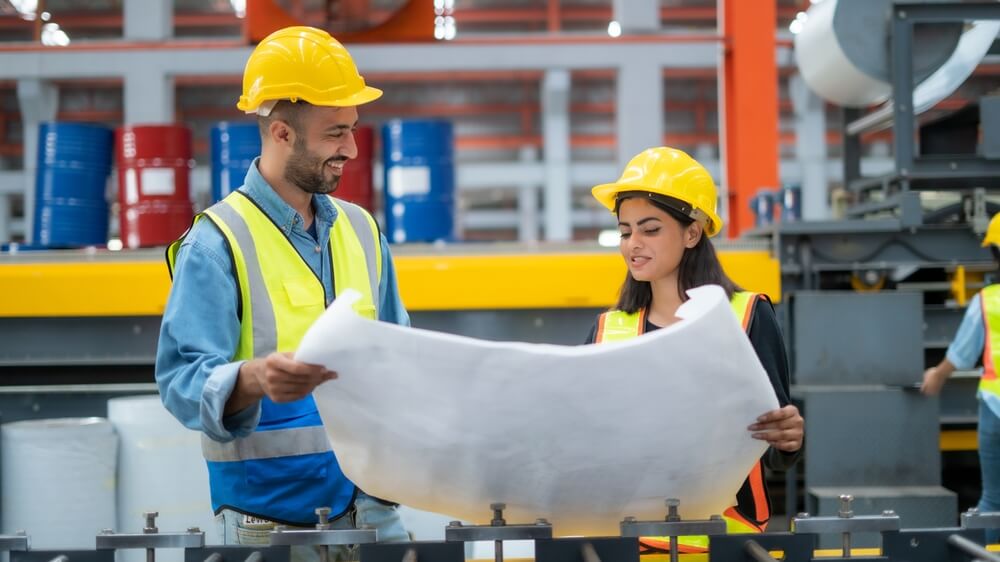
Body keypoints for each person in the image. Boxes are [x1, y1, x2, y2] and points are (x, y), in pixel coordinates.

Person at [155, 26, 409, 560]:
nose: (353, 149)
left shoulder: (363, 231)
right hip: (267, 524)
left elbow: (399, 357)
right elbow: (181, 381)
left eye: (353, 129)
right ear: (282, 133)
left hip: (374, 510)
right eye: (336, 133)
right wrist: (251, 378)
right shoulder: (216, 242)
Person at [584, 147, 804, 554]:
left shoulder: (747, 316)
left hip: (724, 547)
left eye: (650, 229)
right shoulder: (607, 331)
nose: (633, 243)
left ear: (692, 232)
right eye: (625, 230)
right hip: (627, 544)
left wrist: (788, 441)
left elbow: (772, 446)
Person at [922, 212, 1000, 542]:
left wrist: (936, 377)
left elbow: (961, 353)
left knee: (992, 500)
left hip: (994, 410)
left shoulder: (988, 300)